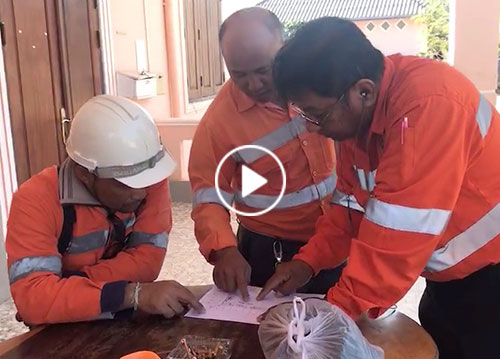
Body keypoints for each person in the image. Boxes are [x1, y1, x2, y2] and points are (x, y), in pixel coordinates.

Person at [258, 17, 500, 359]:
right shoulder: (357, 122)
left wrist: (330, 315)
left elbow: (396, 242)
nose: (313, 129)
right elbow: (348, 210)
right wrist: (306, 264)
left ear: (364, 91)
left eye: (317, 115)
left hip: (491, 283)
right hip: (446, 280)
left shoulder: (427, 106)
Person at [6, 95, 203, 325]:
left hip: (112, 314)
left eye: (144, 182)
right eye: (124, 184)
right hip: (59, 329)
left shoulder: (149, 178)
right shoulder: (35, 201)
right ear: (85, 175)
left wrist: (65, 287)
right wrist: (132, 293)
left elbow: (147, 263)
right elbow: (35, 301)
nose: (140, 194)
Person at [189, 7, 342, 300]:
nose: (254, 84)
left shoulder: (318, 83)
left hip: (335, 236)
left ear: (284, 48)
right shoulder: (218, 122)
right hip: (270, 250)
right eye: (239, 74)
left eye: (263, 70)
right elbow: (208, 194)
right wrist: (224, 250)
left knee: (338, 327)